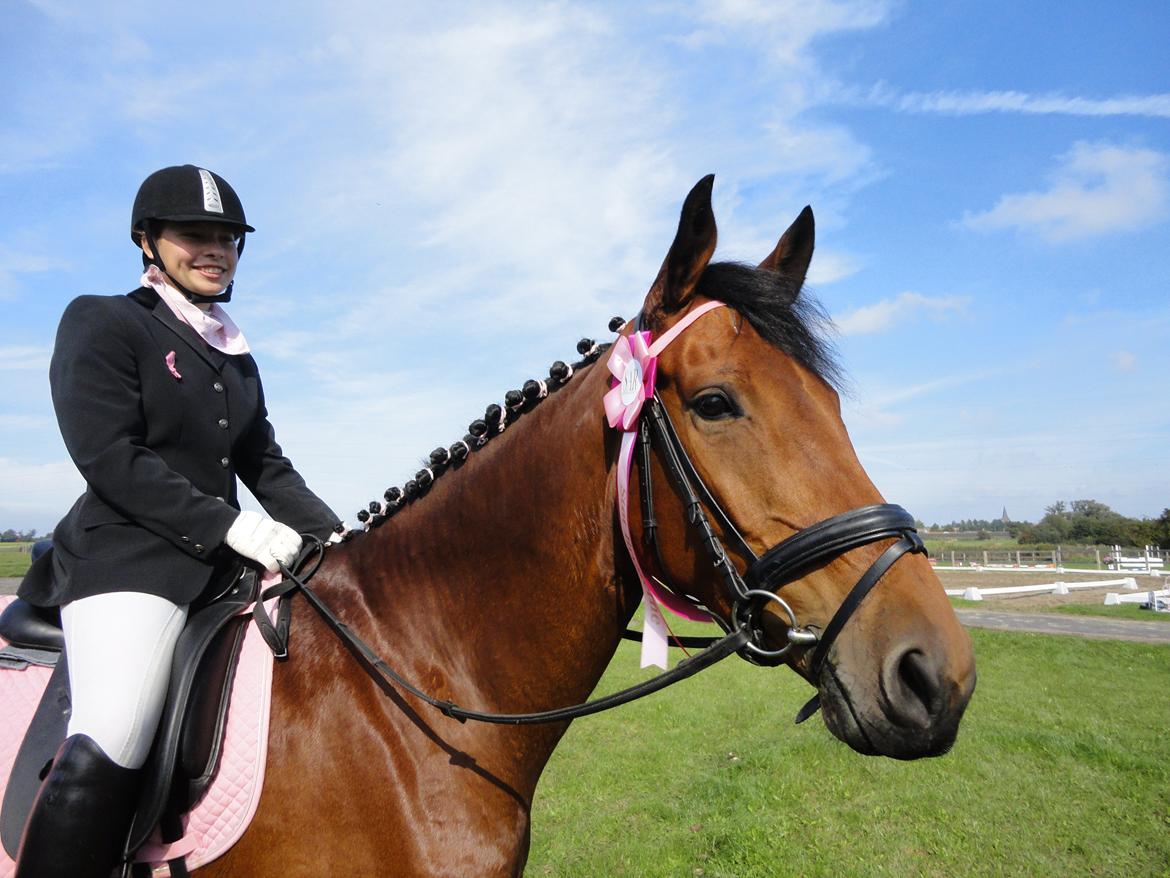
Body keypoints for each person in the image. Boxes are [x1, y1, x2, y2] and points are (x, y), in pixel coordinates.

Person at [15, 164, 341, 878]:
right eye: (195, 234)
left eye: (228, 237)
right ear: (147, 240)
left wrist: (340, 539)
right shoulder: (103, 320)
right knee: (118, 727)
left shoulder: (232, 351)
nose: (215, 249)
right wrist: (231, 526)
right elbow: (109, 457)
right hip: (127, 561)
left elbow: (266, 466)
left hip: (221, 570)